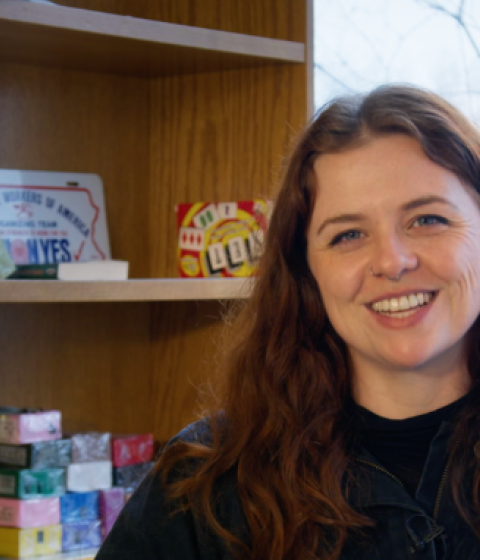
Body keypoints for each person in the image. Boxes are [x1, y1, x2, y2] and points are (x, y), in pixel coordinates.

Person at [95, 84, 480, 560]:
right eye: (348, 235)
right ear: (305, 270)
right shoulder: (200, 486)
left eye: (427, 220)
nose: (392, 261)